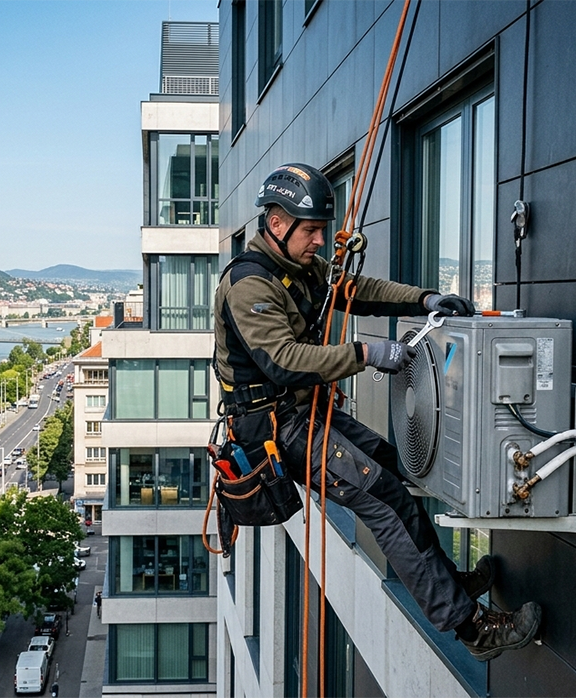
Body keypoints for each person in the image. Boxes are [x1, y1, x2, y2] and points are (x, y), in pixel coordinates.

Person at [214, 163, 542, 661]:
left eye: (321, 230)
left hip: (301, 414)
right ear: (276, 224)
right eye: (311, 230)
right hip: (277, 430)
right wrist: (366, 354)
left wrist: (425, 298)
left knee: (392, 467)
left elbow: (356, 290)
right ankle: (472, 629)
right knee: (384, 501)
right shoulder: (250, 285)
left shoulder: (297, 268)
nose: (320, 241)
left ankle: (448, 584)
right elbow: (283, 360)